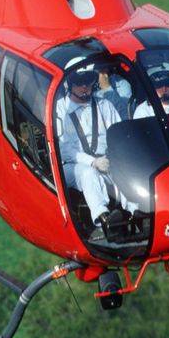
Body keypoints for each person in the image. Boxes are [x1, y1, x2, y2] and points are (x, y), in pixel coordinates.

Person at [57, 60, 135, 238]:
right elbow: (63, 149)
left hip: (105, 159)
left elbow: (119, 135)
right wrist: (92, 162)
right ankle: (103, 219)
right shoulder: (60, 109)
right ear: (70, 84)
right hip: (73, 165)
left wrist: (114, 158)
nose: (84, 86)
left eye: (89, 81)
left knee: (126, 171)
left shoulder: (104, 105)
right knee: (88, 174)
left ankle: (136, 213)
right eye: (79, 82)